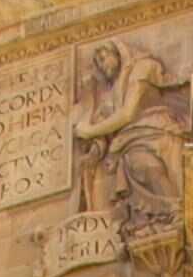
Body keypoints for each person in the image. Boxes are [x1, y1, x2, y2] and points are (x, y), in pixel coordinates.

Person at [70, 42, 186, 234]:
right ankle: (161, 217)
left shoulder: (141, 68)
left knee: (145, 165)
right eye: (98, 62)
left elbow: (126, 114)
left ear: (120, 52)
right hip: (132, 139)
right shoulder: (116, 89)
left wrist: (90, 131)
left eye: (105, 57)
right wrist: (96, 145)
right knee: (137, 163)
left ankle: (174, 212)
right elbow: (109, 122)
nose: (102, 64)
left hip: (154, 128)